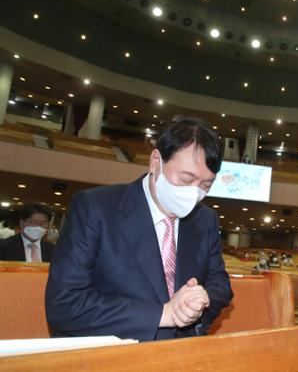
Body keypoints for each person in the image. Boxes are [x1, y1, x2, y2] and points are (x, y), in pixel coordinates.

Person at [45, 117, 233, 341]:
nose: (194, 194)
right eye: (186, 179)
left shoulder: (205, 219)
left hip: (180, 353)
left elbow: (220, 284)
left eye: (205, 185)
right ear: (155, 162)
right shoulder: (96, 208)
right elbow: (65, 304)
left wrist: (200, 301)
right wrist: (163, 314)